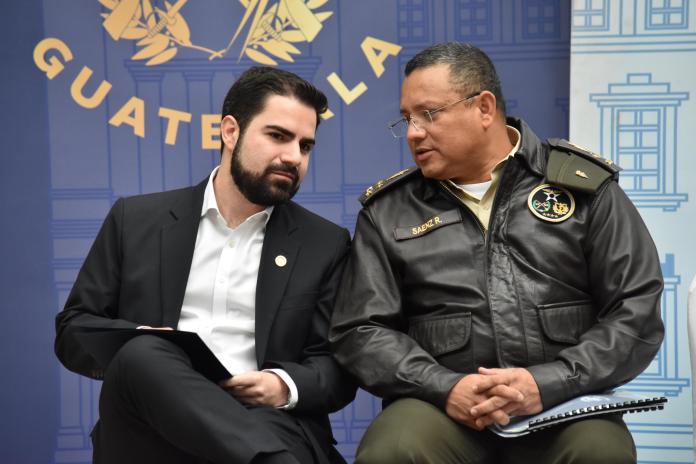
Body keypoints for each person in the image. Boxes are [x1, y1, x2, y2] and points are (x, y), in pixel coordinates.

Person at [329, 42, 664, 464]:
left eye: (429, 114)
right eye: (407, 119)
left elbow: (635, 308)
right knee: (392, 449)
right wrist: (444, 385)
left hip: (565, 404)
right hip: (440, 408)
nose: (413, 132)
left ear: (484, 107)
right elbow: (360, 329)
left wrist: (547, 382)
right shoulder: (389, 210)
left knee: (600, 450)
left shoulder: (582, 189)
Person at [55, 66, 355, 464]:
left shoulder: (325, 243)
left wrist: (281, 385)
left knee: (265, 435)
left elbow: (338, 364)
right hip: (150, 424)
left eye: (305, 145)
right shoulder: (136, 220)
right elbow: (74, 330)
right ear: (230, 131)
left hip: (268, 421)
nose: (293, 157)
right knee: (143, 353)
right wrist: (143, 340)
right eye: (278, 136)